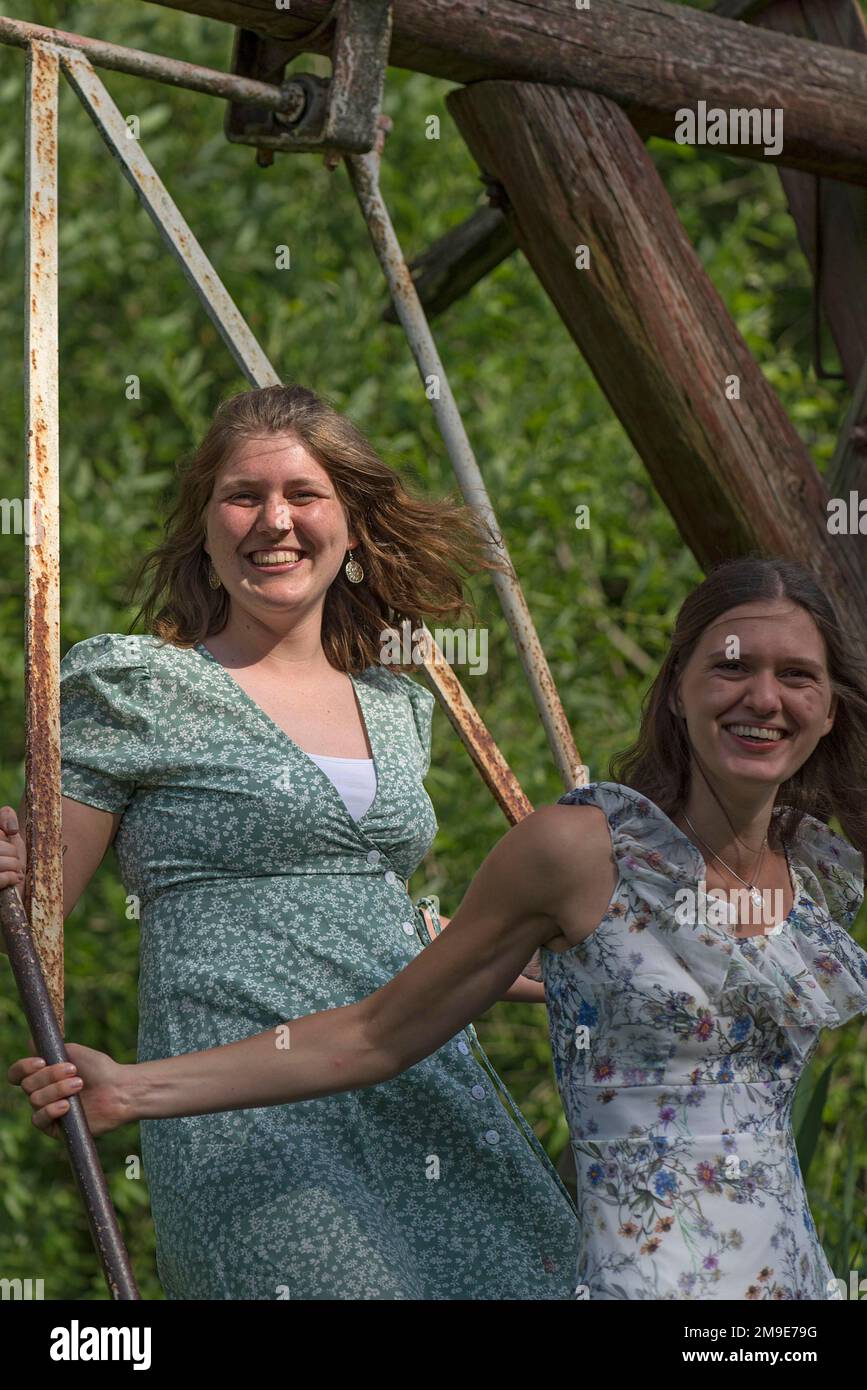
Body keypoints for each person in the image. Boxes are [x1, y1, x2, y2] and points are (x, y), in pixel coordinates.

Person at [10, 554, 867, 1298]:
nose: (763, 697)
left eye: (796, 676)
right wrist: (133, 1088)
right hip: (648, 1278)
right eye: (729, 668)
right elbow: (377, 1034)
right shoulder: (577, 850)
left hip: (792, 1282)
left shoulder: (820, 875)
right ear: (677, 689)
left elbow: (649, 981)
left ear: (829, 707)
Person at [0, 382, 579, 1301]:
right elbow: (37, 915)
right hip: (235, 1105)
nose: (275, 521)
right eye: (243, 495)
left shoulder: (398, 705)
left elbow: (369, 911)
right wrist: (11, 871)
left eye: (303, 495)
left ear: (349, 524)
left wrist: (527, 963)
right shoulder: (136, 684)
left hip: (418, 1083)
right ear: (205, 524)